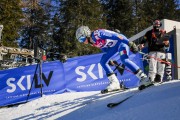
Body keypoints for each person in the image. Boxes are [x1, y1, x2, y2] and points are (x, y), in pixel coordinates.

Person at [75, 26, 152, 93]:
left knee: (124, 60)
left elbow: (116, 35)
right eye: (80, 40)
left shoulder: (97, 34)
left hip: (121, 42)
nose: (82, 41)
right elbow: (103, 47)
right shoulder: (92, 41)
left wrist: (129, 43)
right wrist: (109, 58)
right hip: (113, 47)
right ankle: (115, 83)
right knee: (103, 61)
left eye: (82, 38)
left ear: (87, 33)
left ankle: (144, 78)